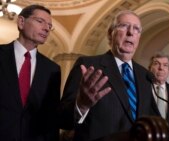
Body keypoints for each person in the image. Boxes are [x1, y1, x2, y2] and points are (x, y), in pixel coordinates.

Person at [59, 10, 159, 141]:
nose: (131, 32)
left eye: (136, 29)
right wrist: (81, 105)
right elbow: (63, 118)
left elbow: (152, 116)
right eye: (124, 26)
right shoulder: (88, 65)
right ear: (110, 34)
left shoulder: (145, 74)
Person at [0, 4, 61, 141]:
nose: (46, 28)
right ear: (21, 22)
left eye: (49, 26)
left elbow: (51, 116)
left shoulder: (53, 69)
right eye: (40, 21)